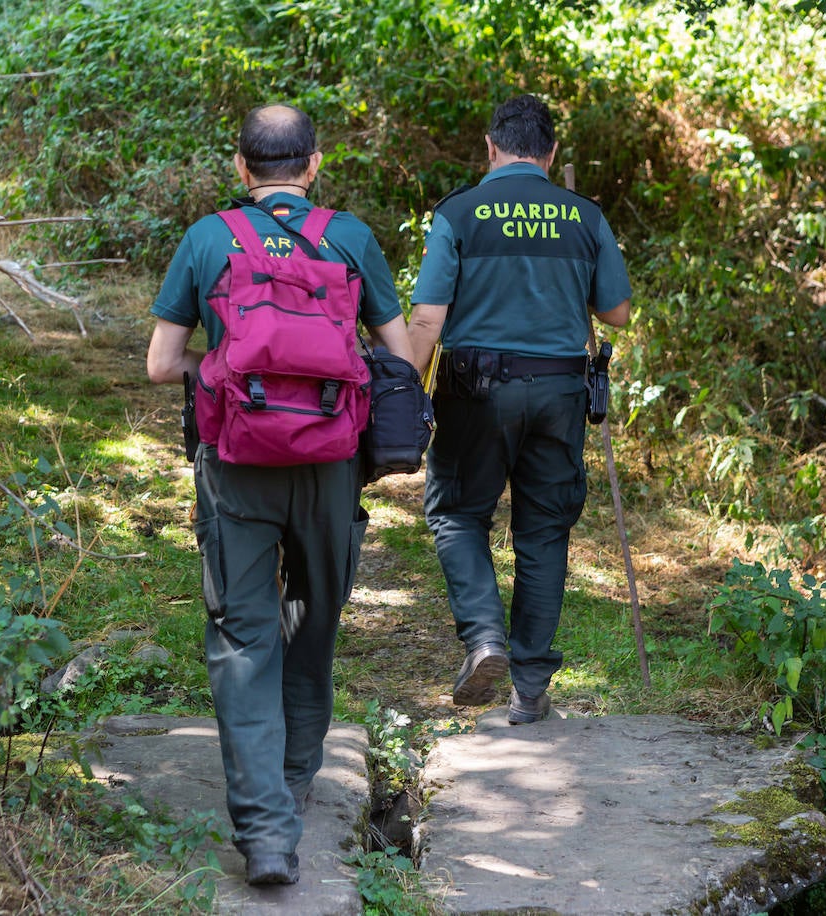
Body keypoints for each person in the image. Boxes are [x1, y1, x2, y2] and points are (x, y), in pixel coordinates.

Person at [145, 103, 414, 886]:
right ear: (314, 163)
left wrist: (226, 376)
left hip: (237, 464)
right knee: (316, 620)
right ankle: (295, 780)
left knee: (243, 635)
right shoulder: (350, 236)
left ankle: (266, 834)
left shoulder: (210, 238)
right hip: (332, 466)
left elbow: (163, 363)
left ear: (240, 168)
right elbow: (396, 356)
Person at [406, 93, 631, 724]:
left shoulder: (459, 212)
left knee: (455, 512)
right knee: (543, 530)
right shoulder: (583, 215)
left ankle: (483, 640)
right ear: (552, 152)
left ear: (491, 146)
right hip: (561, 391)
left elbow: (428, 318)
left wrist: (402, 388)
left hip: (474, 390)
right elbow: (615, 312)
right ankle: (529, 687)